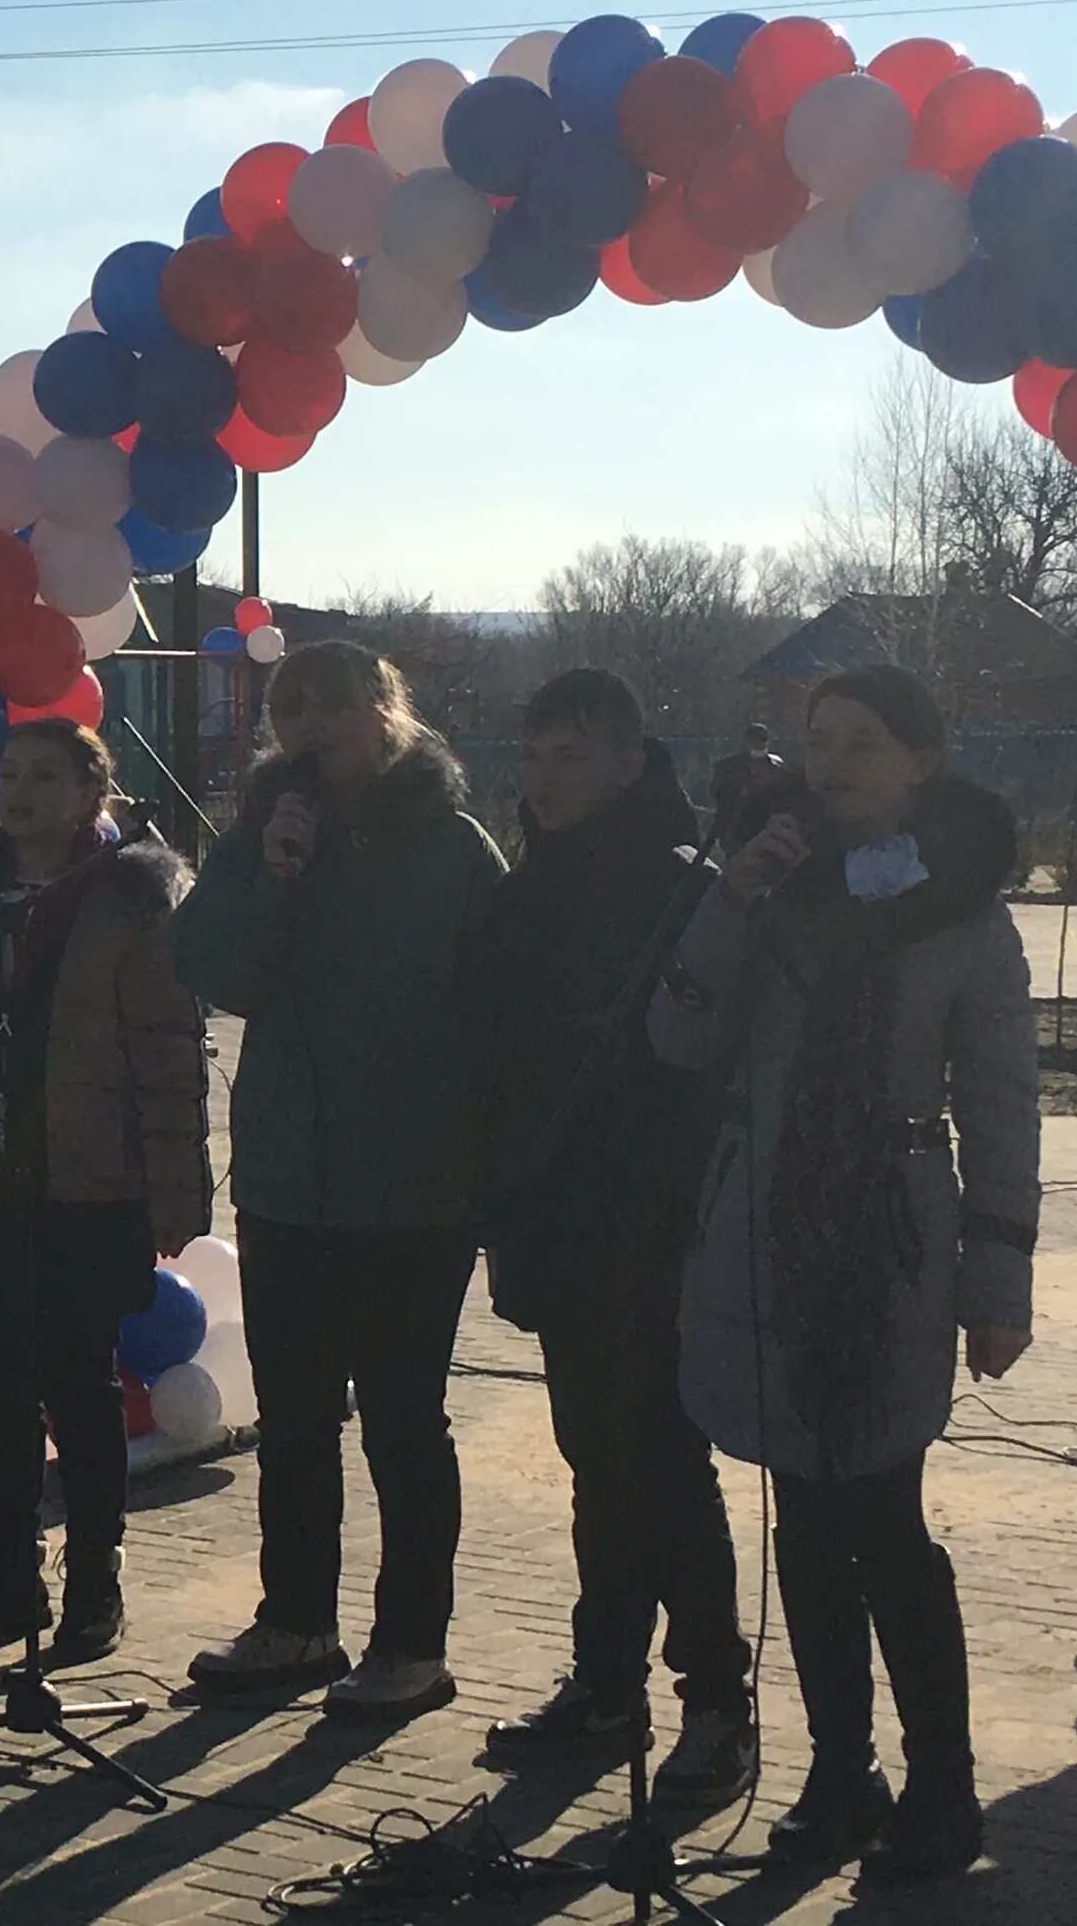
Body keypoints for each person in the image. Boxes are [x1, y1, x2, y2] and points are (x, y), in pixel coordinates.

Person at [648, 668, 1038, 1886]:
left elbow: (1001, 1100)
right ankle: (839, 1769)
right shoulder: (772, 889)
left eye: (861, 743)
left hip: (893, 1244)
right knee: (805, 1524)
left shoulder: (967, 912)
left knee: (885, 1520)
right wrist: (733, 896)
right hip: (764, 1227)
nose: (832, 764)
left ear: (922, 760)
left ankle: (945, 1780)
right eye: (819, 742)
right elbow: (678, 1037)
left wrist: (1000, 1270)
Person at [174, 639, 505, 1718]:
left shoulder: (452, 847)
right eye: (290, 708)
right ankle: (296, 1625)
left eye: (335, 703)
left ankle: (411, 1645)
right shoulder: (266, 837)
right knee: (298, 1414)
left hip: (414, 1183)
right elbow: (209, 969)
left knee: (404, 1419)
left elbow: (510, 1002)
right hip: (288, 1174)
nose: (311, 726)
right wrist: (273, 873)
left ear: (388, 710)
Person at [461, 672, 753, 1800]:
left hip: (652, 1222)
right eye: (534, 759)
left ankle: (716, 1701)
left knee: (664, 1463)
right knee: (599, 1461)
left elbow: (698, 1064)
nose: (546, 781)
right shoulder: (523, 888)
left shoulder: (683, 890)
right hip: (549, 1213)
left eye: (573, 757)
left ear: (632, 761)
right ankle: (606, 1683)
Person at [0, 721, 210, 1662]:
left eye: (45, 776)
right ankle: (9, 1579)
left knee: (79, 1386)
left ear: (91, 791)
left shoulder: (132, 900)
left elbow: (167, 1053)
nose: (20, 791)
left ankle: (94, 1581)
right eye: (10, 771)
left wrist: (177, 1191)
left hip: (88, 1182)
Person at [706, 722, 788, 856]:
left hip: (767, 829)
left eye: (763, 741)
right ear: (746, 742)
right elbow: (717, 793)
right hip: (736, 829)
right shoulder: (728, 767)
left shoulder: (776, 766)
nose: (759, 745)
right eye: (755, 741)